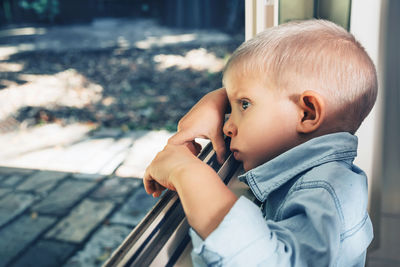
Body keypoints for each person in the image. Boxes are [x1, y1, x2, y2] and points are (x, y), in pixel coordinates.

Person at [144, 19, 377, 266]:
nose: (226, 126)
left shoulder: (327, 190)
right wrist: (217, 100)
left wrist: (186, 172)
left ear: (308, 113)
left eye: (244, 104)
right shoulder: (327, 176)